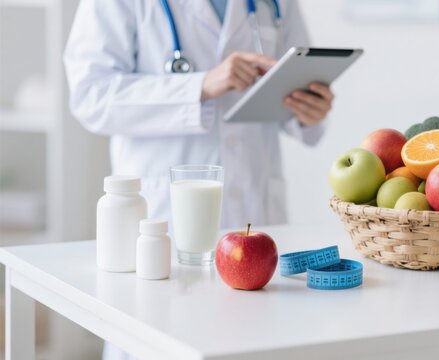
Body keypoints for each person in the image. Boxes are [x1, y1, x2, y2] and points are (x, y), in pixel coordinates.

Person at [64, 0, 332, 358]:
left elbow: (293, 76)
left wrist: (308, 109)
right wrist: (199, 85)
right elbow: (90, 96)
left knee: (257, 340)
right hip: (163, 218)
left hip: (257, 212)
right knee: (159, 338)